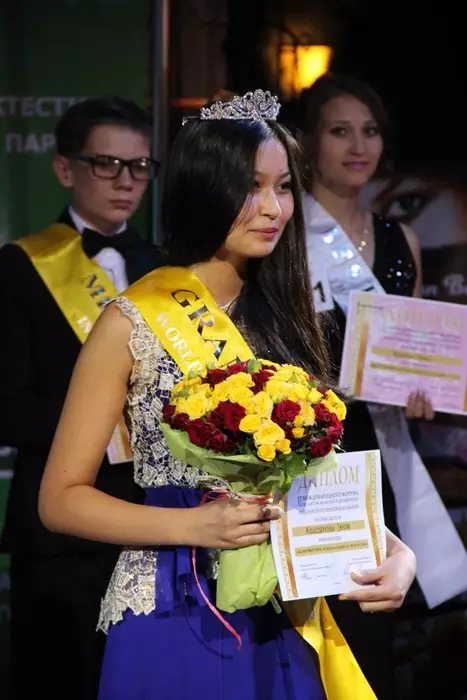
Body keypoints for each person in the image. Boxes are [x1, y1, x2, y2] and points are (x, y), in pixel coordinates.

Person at [39, 89, 416, 700]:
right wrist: (195, 524)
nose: (272, 208)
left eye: (284, 187)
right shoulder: (131, 322)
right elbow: (60, 500)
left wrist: (397, 554)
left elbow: (322, 480)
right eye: (250, 187)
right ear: (203, 189)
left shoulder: (296, 320)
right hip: (169, 597)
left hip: (283, 608)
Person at [298, 72, 467, 699]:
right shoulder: (284, 238)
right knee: (317, 626)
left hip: (384, 449)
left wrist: (421, 389)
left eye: (369, 131)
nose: (358, 146)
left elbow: (412, 351)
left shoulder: (403, 240)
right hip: (312, 453)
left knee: (373, 628)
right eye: (340, 131)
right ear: (309, 142)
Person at [0, 95, 164, 700]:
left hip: (155, 521)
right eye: (106, 164)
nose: (126, 181)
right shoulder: (20, 267)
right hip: (60, 537)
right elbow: (8, 409)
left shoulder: (171, 273)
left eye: (139, 166)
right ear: (64, 169)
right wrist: (108, 417)